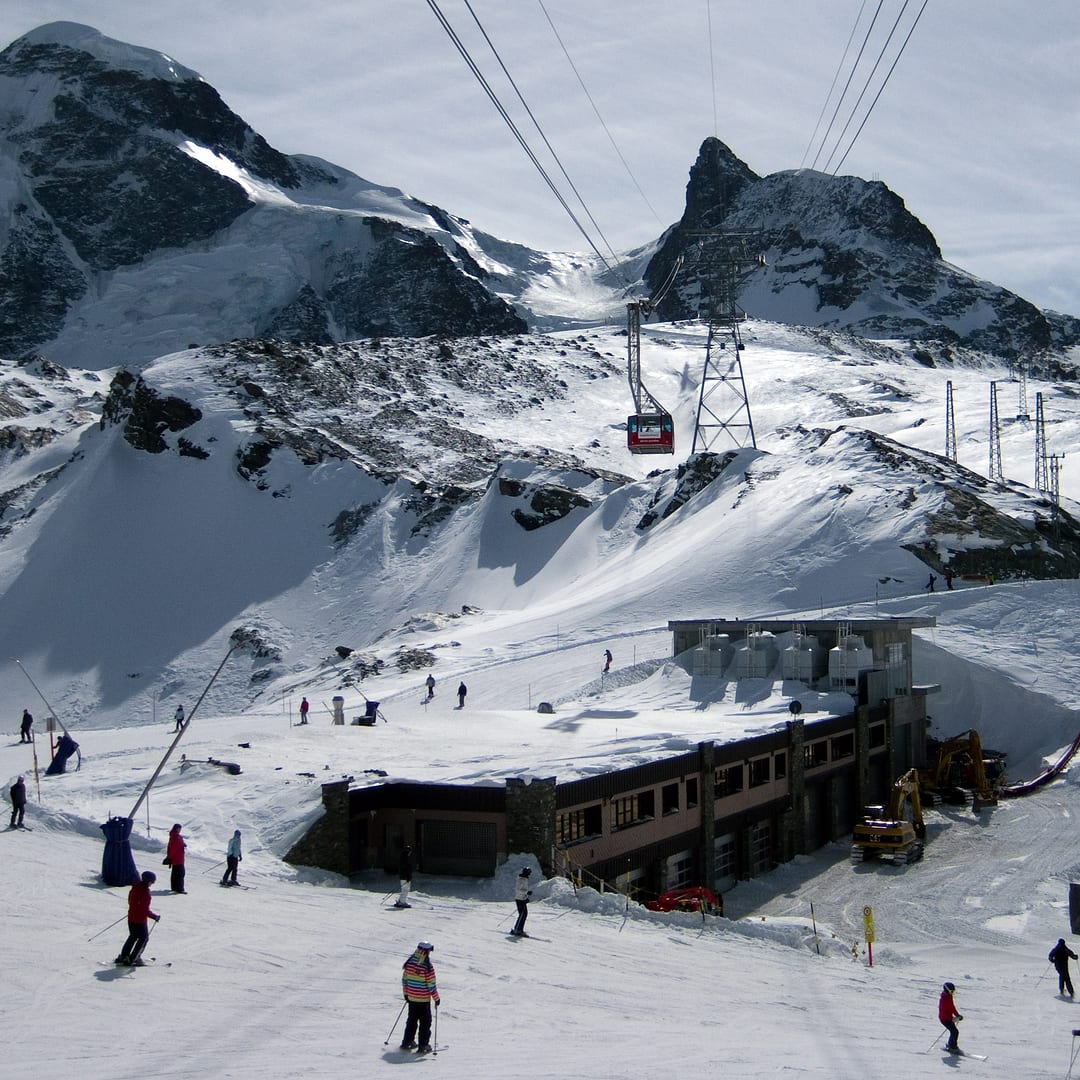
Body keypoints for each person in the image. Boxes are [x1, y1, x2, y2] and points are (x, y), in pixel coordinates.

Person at [400, 941, 439, 1054]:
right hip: (423, 1000)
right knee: (425, 1023)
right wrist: (436, 998)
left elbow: (405, 980)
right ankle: (423, 1045)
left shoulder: (410, 963)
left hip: (412, 998)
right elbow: (431, 984)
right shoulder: (427, 966)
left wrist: (406, 994)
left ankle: (407, 1041)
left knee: (411, 1020)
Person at [115, 870, 160, 966]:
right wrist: (154, 916)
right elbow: (144, 910)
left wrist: (133, 909)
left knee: (133, 936)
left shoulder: (135, 887)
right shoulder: (146, 894)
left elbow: (130, 900)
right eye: (152, 882)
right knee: (143, 938)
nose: (151, 884)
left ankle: (124, 956)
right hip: (140, 920)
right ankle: (133, 958)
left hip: (131, 917)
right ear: (148, 881)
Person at [938, 981, 963, 1053]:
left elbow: (952, 1007)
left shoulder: (949, 996)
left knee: (954, 1032)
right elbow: (943, 1012)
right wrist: (952, 1019)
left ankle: (952, 1046)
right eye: (951, 991)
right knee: (954, 1032)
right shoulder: (943, 1000)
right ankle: (952, 1046)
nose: (952, 993)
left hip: (949, 1018)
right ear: (947, 990)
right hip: (944, 1019)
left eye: (953, 991)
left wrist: (957, 1015)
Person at [165, 823, 187, 893]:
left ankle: (174, 887)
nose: (180, 830)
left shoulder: (175, 836)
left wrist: (183, 844)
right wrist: (170, 856)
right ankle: (179, 888)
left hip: (177, 858)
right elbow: (173, 848)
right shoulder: (176, 837)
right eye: (179, 828)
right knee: (180, 874)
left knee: (175, 873)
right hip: (178, 858)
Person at [511, 866, 532, 937]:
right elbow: (519, 890)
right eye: (529, 873)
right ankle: (517, 930)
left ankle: (519, 929)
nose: (529, 875)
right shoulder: (521, 880)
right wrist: (526, 893)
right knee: (522, 914)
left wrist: (526, 897)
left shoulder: (524, 879)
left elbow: (522, 890)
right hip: (519, 899)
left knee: (523, 914)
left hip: (522, 899)